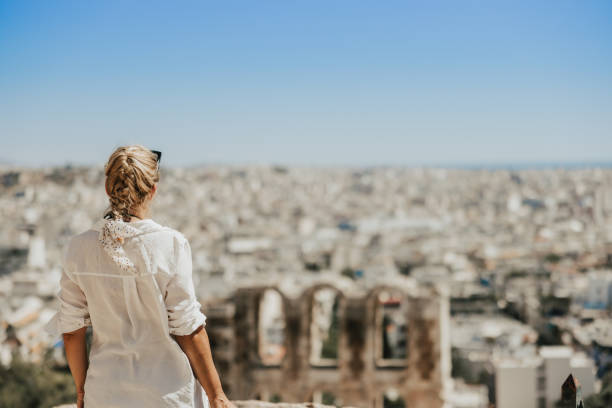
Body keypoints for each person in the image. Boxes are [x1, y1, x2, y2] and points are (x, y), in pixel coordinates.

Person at [44, 144, 235, 408]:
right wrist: (217, 394)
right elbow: (189, 329)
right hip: (167, 393)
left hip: (105, 393)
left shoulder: (79, 248)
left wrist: (81, 390)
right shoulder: (170, 245)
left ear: (108, 189)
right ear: (153, 191)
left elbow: (71, 332)